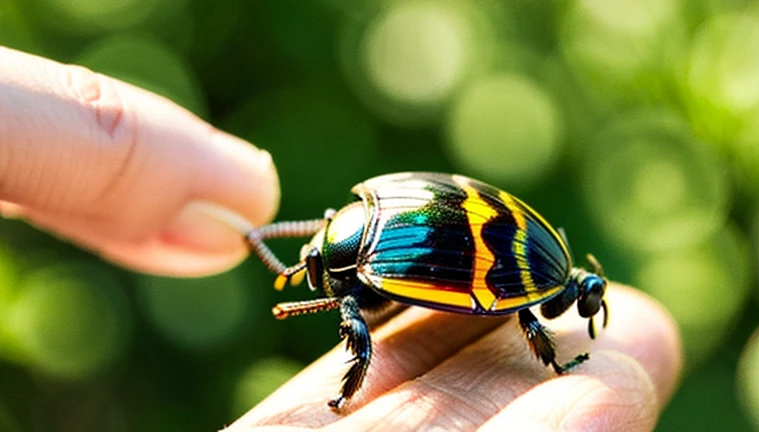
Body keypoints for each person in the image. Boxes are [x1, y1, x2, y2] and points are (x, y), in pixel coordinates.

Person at [0, 47, 682, 431]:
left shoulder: (379, 254)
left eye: (314, 262)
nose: (308, 269)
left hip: (505, 265)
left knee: (391, 308)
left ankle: (537, 363)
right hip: (494, 253)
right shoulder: (374, 223)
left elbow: (470, 303)